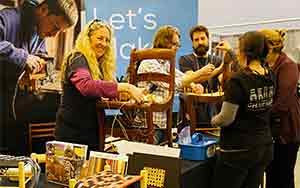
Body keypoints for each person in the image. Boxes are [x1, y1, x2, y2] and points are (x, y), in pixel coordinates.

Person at [0, 0, 78, 155]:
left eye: (59, 32)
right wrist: (23, 57)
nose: (54, 35)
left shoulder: (38, 32)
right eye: (55, 27)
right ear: (43, 10)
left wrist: (37, 65)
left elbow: (37, 56)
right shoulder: (7, 18)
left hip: (9, 110)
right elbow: (20, 56)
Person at [55, 19, 145, 151]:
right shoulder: (77, 58)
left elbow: (100, 92)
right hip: (72, 135)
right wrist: (126, 87)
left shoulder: (99, 65)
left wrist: (122, 95)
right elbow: (86, 86)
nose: (104, 43)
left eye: (107, 40)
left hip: (92, 134)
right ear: (87, 39)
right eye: (100, 38)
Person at [134, 25, 223, 144]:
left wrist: (193, 85)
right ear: (164, 42)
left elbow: (182, 77)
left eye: (178, 45)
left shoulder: (165, 64)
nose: (176, 48)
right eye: (175, 44)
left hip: (164, 125)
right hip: (149, 126)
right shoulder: (149, 63)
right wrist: (200, 72)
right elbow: (175, 84)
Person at [211, 31, 274, 188]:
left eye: (239, 48)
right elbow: (249, 76)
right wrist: (231, 53)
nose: (237, 52)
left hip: (238, 150)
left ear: (246, 52)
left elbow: (226, 118)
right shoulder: (269, 75)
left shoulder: (237, 81)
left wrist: (213, 120)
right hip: (263, 147)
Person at [261, 29, 300, 188]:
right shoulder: (266, 64)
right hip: (272, 130)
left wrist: (256, 115)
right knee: (271, 175)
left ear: (269, 47)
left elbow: (282, 103)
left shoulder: (288, 66)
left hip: (287, 131)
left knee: (283, 177)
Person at [179, 25, 237, 127]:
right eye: (196, 40)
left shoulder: (217, 60)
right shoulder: (185, 59)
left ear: (208, 39)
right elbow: (191, 77)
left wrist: (226, 64)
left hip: (213, 113)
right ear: (192, 43)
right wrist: (194, 84)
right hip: (191, 113)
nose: (200, 42)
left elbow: (223, 81)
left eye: (202, 38)